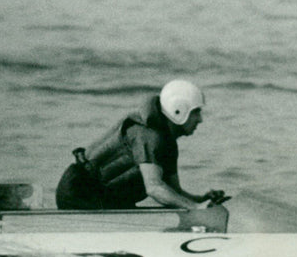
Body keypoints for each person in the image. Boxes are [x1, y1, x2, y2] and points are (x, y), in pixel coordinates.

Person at [56, 79, 225, 210]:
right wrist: (195, 208)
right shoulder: (149, 136)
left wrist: (202, 200)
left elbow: (174, 193)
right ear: (179, 110)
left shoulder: (168, 142)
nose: (200, 119)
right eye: (196, 112)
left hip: (102, 199)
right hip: (79, 194)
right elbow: (155, 188)